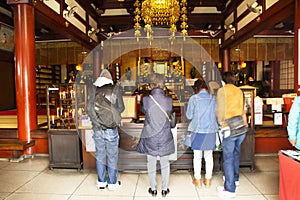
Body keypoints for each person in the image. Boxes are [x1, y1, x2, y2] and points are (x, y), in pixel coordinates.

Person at [136, 73, 175, 197]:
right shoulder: (169, 100)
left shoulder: (146, 99)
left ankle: (153, 189)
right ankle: (164, 189)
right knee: (165, 163)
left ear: (151, 85)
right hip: (165, 136)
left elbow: (143, 110)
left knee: (151, 163)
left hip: (150, 135)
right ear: (163, 85)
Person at [87, 69, 125, 191]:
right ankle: (112, 183)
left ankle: (101, 182)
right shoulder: (115, 90)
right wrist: (111, 114)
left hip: (97, 129)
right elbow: (121, 108)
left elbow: (89, 109)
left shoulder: (93, 90)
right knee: (112, 156)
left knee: (100, 155)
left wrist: (98, 122)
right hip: (111, 128)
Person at [216, 71, 247, 198]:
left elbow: (220, 111)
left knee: (227, 159)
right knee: (235, 154)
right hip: (241, 127)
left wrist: (220, 123)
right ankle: (235, 179)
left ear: (223, 81)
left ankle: (230, 189)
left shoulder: (222, 91)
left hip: (229, 128)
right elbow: (243, 109)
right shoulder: (239, 91)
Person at [186, 78, 218, 189]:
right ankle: (208, 179)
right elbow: (217, 115)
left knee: (197, 156)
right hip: (210, 131)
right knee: (209, 156)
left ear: (196, 88)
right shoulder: (214, 99)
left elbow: (189, 116)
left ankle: (197, 179)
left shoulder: (193, 99)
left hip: (197, 131)